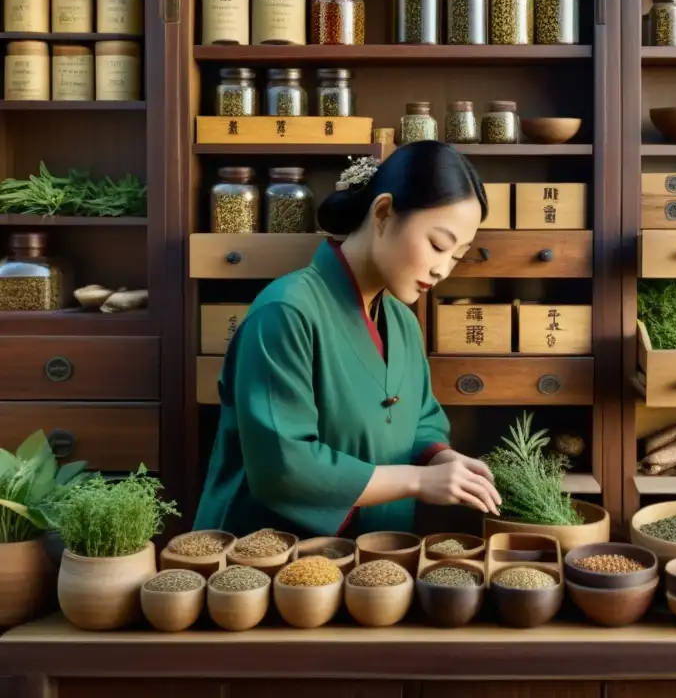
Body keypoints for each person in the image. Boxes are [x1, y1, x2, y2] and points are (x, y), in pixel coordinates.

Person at [193, 141, 502, 539]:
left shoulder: (402, 323)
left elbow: (420, 420)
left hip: (373, 560)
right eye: (438, 245)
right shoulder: (285, 312)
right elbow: (283, 464)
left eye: (457, 256)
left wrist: (441, 458)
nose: (443, 269)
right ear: (384, 213)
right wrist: (419, 482)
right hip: (265, 560)